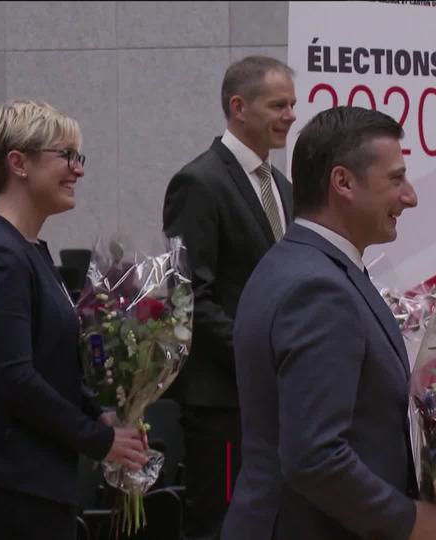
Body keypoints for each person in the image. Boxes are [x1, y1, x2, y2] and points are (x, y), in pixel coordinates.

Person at [223, 106, 436, 540]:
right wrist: (407, 519)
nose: (411, 196)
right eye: (395, 178)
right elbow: (314, 456)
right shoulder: (318, 288)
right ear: (343, 182)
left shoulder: (302, 265)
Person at [0, 99, 147, 540]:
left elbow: (49, 365)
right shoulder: (0, 257)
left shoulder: (29, 250)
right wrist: (98, 441)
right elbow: (14, 378)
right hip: (7, 487)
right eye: (66, 156)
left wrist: (99, 416)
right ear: (18, 163)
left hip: (34, 482)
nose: (78, 169)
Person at [161, 55, 297, 540]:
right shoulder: (199, 182)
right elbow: (189, 296)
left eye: (292, 105)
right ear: (239, 107)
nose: (290, 115)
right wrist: (259, 356)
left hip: (272, 397)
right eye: (278, 105)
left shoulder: (281, 186)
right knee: (218, 525)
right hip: (221, 399)